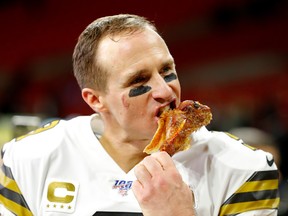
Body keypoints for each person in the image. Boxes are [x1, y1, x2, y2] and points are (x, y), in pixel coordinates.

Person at [0, 14, 279, 216]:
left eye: (167, 71)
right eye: (139, 80)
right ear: (95, 99)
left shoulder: (242, 168)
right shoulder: (30, 159)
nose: (165, 90)